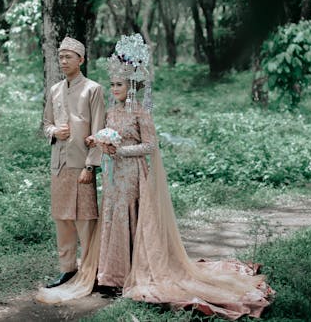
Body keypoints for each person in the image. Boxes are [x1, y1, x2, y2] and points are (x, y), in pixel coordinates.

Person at [37, 34, 273, 320]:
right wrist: (99, 142)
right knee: (112, 219)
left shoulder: (140, 112)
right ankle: (109, 275)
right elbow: (96, 134)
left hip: (133, 173)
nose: (114, 89)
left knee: (130, 219)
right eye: (113, 84)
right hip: (113, 175)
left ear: (131, 86)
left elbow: (150, 146)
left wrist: (118, 151)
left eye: (119, 84)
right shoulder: (110, 111)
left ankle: (131, 272)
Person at [42, 36, 106, 289]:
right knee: (62, 219)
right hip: (58, 164)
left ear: (81, 60)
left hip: (81, 164)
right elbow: (46, 124)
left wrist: (91, 166)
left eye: (69, 57)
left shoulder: (93, 89)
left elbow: (99, 130)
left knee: (85, 219)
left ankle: (92, 271)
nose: (63, 61)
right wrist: (54, 132)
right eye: (61, 57)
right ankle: (67, 269)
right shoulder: (55, 90)